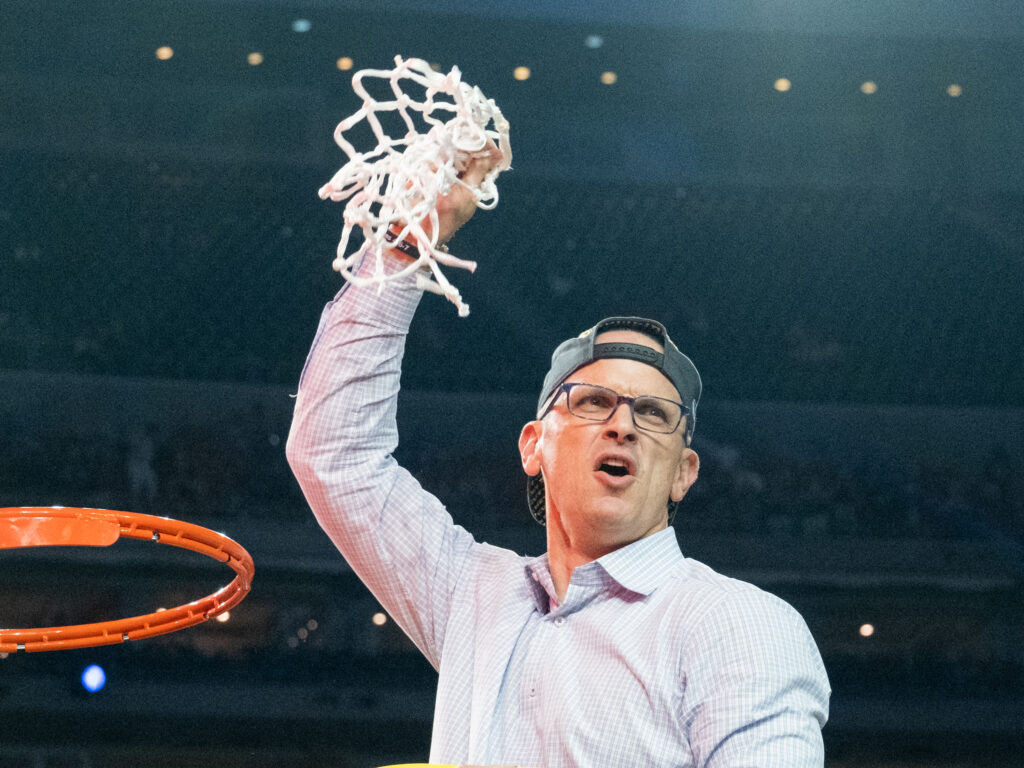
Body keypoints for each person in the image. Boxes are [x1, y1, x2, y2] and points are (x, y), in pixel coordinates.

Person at [287, 148, 830, 767]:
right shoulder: (474, 597)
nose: (623, 424)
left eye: (653, 415)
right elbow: (335, 453)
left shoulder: (738, 625)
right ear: (532, 445)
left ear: (684, 473)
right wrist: (405, 247)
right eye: (594, 402)